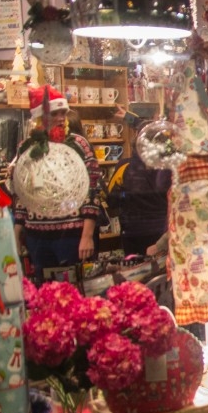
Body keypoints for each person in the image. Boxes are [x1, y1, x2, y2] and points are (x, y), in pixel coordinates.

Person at [12, 85, 103, 282]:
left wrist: (87, 235)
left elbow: (92, 189)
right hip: (36, 236)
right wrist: (16, 233)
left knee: (76, 292)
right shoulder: (26, 148)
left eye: (64, 112)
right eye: (55, 113)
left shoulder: (77, 145)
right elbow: (21, 193)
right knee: (44, 294)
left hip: (72, 235)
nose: (61, 118)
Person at [106, 120, 173, 256]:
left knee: (133, 272)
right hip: (161, 231)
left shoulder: (125, 166)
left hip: (133, 231)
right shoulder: (168, 167)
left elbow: (111, 201)